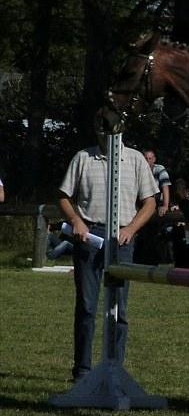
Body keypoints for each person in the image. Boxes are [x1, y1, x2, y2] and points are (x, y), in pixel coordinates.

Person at [58, 112, 158, 382]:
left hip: (123, 238)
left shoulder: (136, 159)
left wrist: (131, 229)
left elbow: (150, 202)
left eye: (111, 131)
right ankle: (82, 371)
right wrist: (76, 221)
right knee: (87, 306)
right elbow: (64, 197)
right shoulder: (83, 158)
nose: (106, 136)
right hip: (90, 236)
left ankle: (115, 368)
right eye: (101, 131)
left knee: (120, 310)